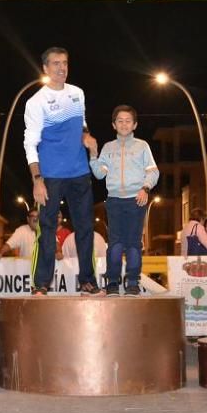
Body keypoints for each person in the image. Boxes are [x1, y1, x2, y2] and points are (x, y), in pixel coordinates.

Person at [24, 46, 101, 296]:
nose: (61, 68)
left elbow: (83, 122)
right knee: (46, 230)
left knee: (86, 228)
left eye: (65, 63)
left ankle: (87, 281)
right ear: (45, 69)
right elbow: (30, 143)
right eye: (56, 63)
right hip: (51, 176)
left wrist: (86, 136)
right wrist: (37, 180)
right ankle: (41, 284)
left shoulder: (77, 93)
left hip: (79, 172)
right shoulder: (36, 102)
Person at [87, 104, 159, 296]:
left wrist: (145, 188)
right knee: (116, 243)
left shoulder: (142, 146)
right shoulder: (108, 148)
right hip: (114, 200)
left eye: (128, 121)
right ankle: (112, 282)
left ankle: (133, 283)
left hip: (137, 199)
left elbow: (153, 171)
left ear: (135, 125)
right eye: (120, 121)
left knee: (133, 243)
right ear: (113, 125)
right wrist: (94, 153)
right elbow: (99, 174)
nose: (124, 124)